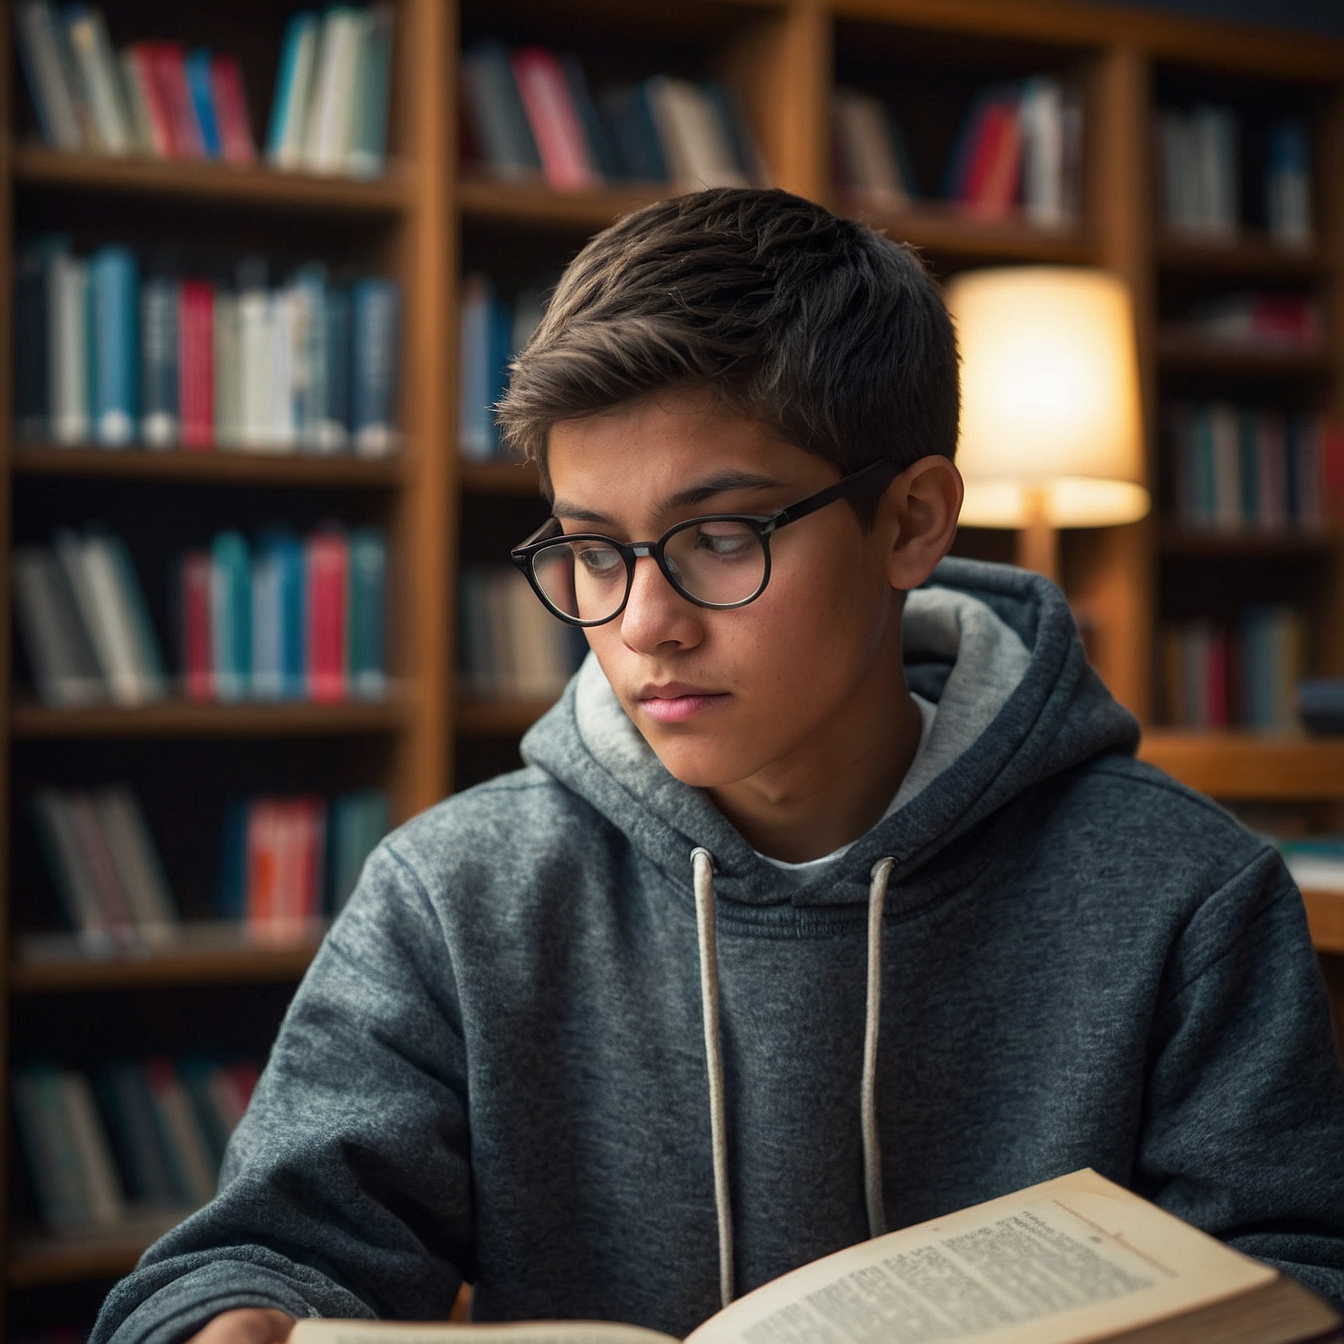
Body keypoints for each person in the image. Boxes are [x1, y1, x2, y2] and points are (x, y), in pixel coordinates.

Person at [94, 189, 1344, 1344]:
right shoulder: (456, 891)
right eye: (593, 552)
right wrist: (231, 1320)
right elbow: (249, 1261)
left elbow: (1300, 1275)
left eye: (721, 536)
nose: (644, 624)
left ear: (911, 520)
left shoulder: (1185, 892)